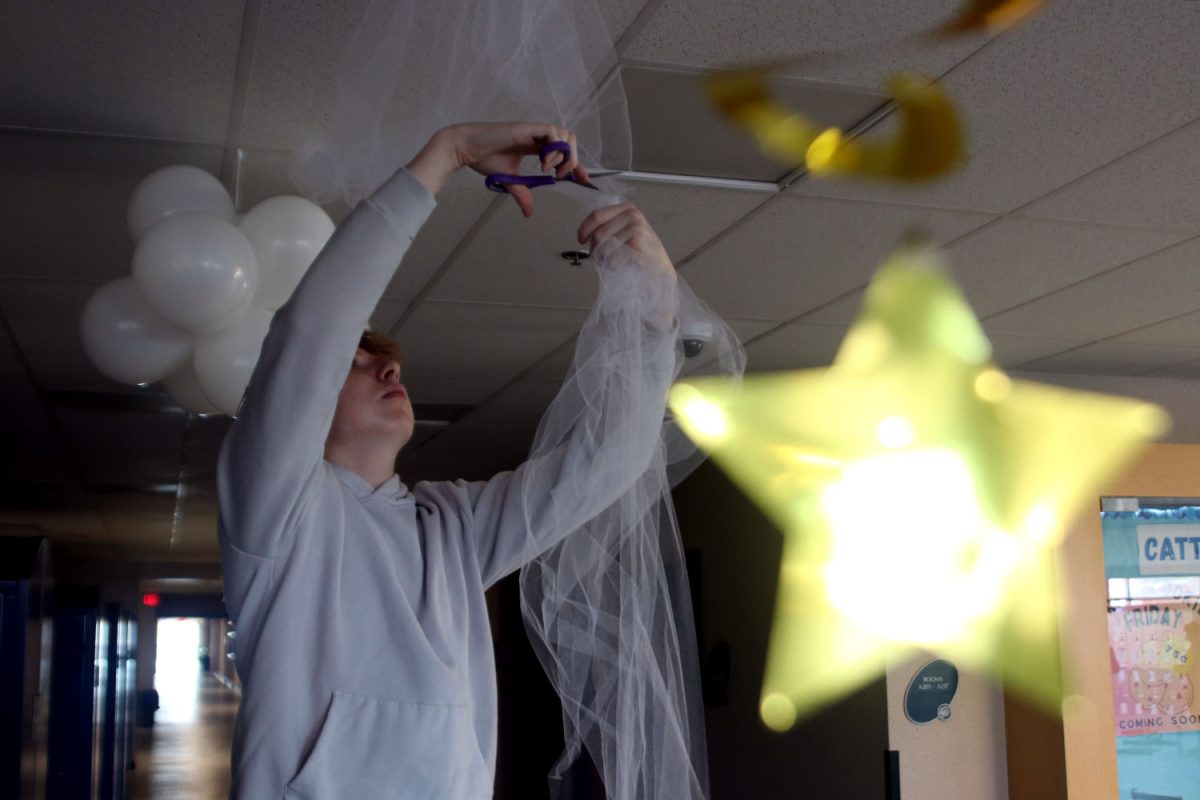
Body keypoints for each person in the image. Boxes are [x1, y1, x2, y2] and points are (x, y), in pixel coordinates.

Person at [217, 121, 686, 798]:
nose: (388, 373)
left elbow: (607, 462)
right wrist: (447, 155)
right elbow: (308, 331)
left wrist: (655, 310)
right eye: (358, 362)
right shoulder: (279, 512)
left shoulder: (455, 527)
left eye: (391, 364)